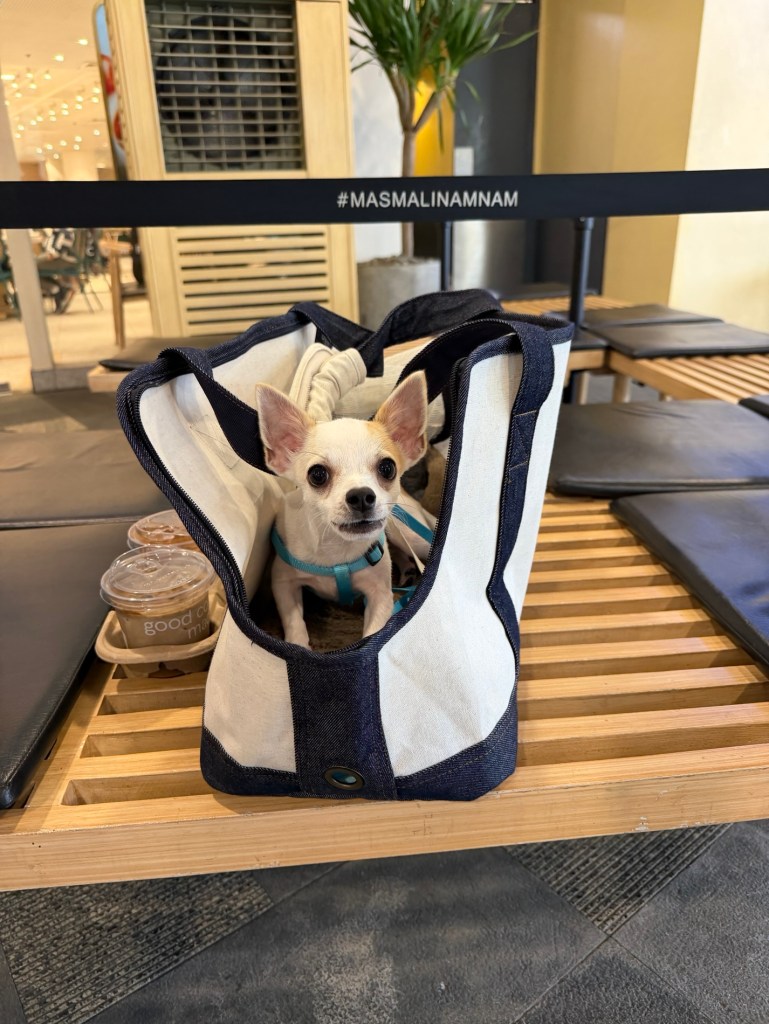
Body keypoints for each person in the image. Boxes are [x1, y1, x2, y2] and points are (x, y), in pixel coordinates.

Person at [37, 228, 78, 313]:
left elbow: (57, 253)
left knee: (30, 269)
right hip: (62, 259)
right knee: (32, 268)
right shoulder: (57, 232)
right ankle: (57, 288)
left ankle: (55, 288)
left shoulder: (64, 232)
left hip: (64, 260)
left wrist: (41, 257)